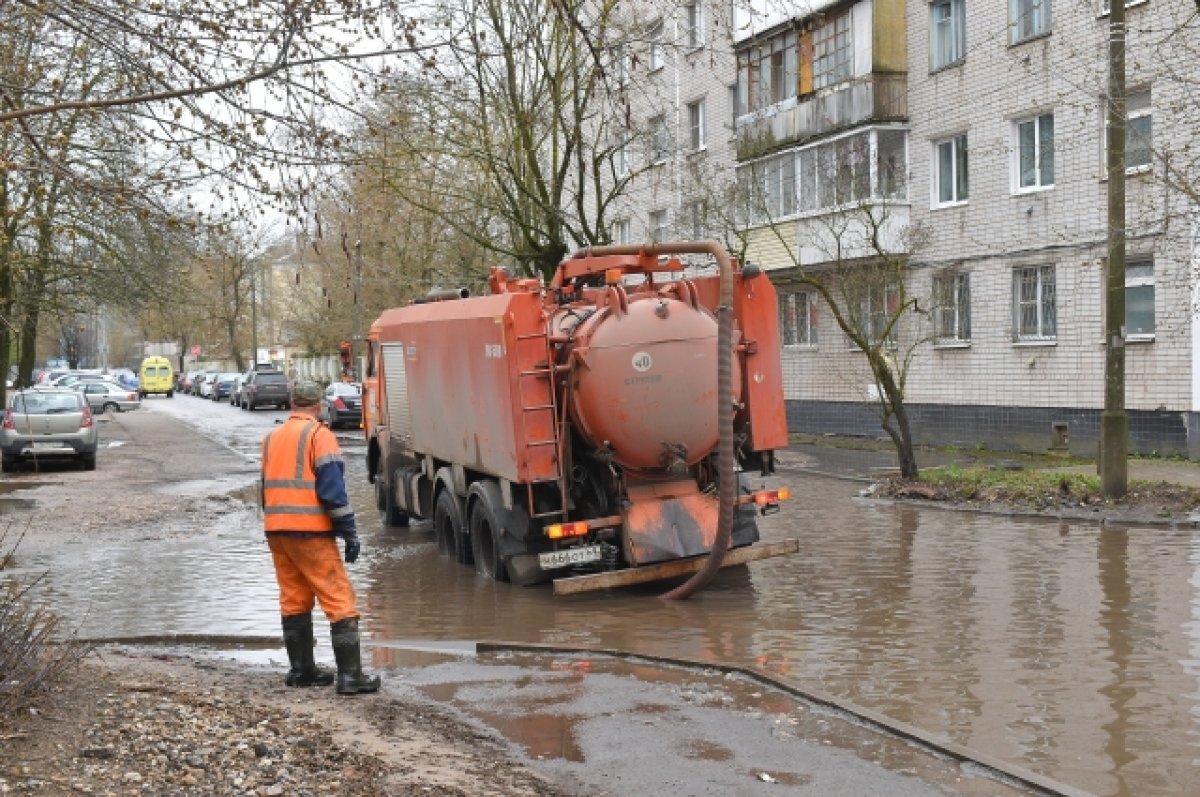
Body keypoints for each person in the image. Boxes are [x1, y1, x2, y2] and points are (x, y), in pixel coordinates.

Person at [260, 380, 380, 695]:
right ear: (318, 405)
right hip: (309, 531)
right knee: (339, 599)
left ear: (291, 403)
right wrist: (350, 533)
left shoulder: (271, 438)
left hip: (277, 530)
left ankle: (302, 671)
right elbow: (333, 492)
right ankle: (351, 677)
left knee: (294, 598)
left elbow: (265, 487)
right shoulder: (319, 435)